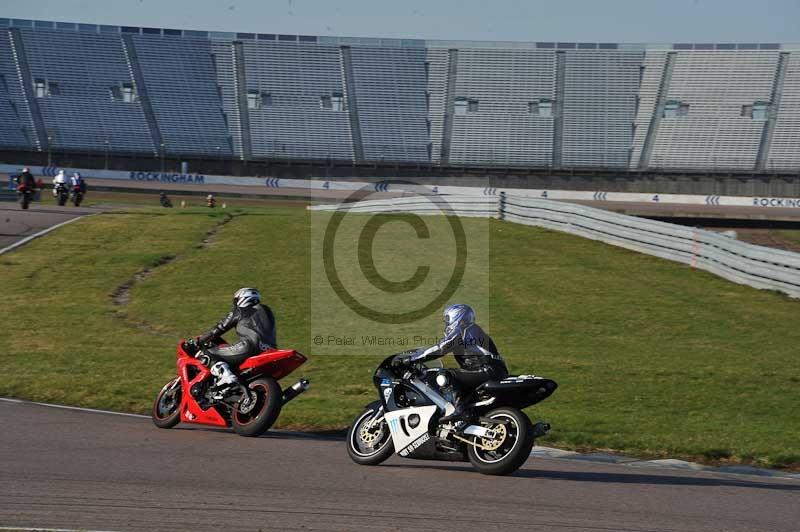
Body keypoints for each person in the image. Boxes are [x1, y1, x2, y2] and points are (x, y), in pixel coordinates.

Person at [403, 304, 508, 422]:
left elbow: (441, 348)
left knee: (446, 375)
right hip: (494, 371)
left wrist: (413, 358)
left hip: (486, 370)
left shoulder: (463, 330)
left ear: (457, 317)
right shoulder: (473, 331)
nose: (446, 324)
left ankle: (460, 410)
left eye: (447, 320)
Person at [196, 287, 277, 388]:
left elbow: (219, 329)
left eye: (236, 300)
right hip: (270, 349)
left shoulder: (240, 310)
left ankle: (226, 376)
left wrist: (199, 341)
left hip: (249, 347)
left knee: (206, 353)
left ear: (242, 298)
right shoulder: (267, 311)